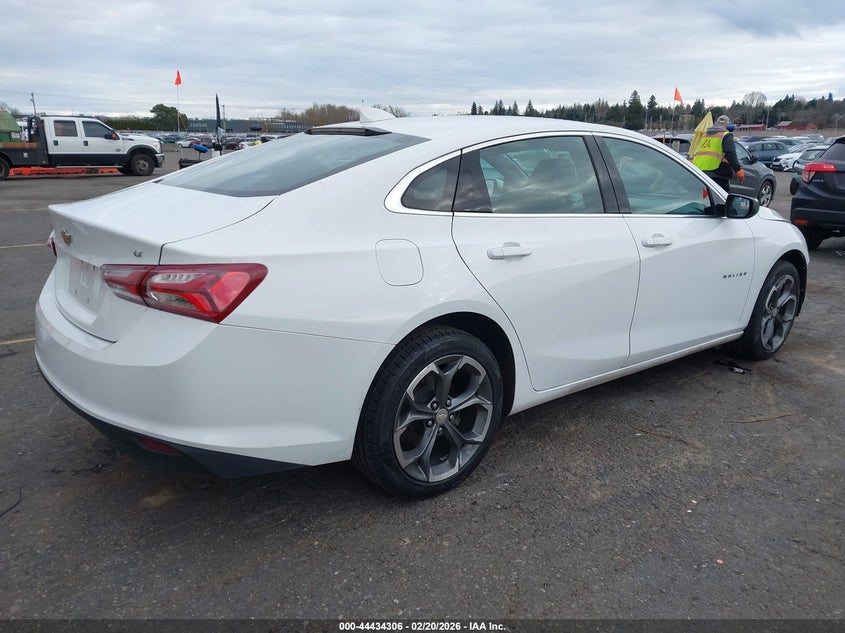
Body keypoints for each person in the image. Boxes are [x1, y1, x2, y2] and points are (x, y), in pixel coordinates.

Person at [691, 114, 745, 192]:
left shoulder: (705, 136)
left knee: (703, 198)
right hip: (717, 172)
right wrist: (738, 170)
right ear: (727, 125)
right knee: (722, 200)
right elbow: (730, 154)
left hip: (699, 172)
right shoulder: (726, 136)